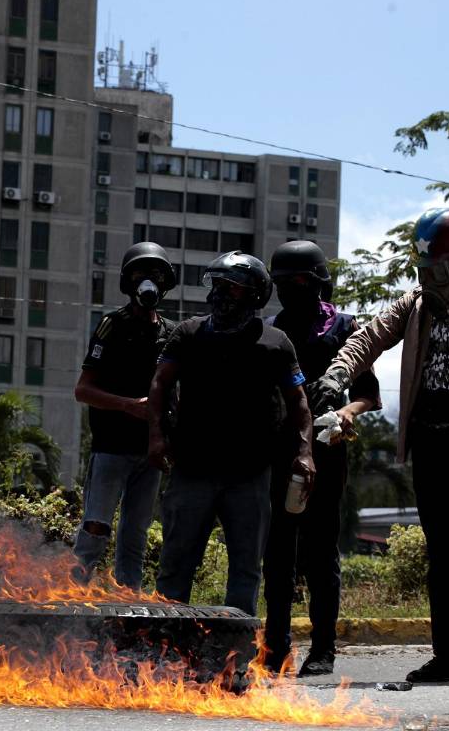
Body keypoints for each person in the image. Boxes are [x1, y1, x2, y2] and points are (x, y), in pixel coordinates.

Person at [311, 207, 449, 687]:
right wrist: (336, 376)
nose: (430, 276)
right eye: (424, 268)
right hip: (435, 441)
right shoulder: (416, 303)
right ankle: (447, 656)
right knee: (444, 551)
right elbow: (367, 337)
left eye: (439, 267)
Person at [148, 251, 314, 616]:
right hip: (192, 470)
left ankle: (234, 659)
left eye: (232, 288)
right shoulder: (187, 333)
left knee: (245, 570)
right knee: (175, 565)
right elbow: (160, 384)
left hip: (250, 476)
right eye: (217, 285)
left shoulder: (275, 343)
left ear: (255, 295)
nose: (220, 294)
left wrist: (305, 452)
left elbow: (299, 403)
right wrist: (156, 436)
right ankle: (165, 655)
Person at [261, 241, 381, 675]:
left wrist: (346, 412)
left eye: (301, 282)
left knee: (320, 553)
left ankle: (323, 649)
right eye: (285, 283)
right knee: (276, 554)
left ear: (318, 283)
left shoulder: (344, 328)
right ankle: (275, 647)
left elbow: (370, 396)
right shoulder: (270, 329)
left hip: (327, 453)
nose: (294, 289)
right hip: (278, 452)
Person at [71, 242, 177, 590]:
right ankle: (73, 597)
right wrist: (128, 404)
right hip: (111, 448)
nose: (148, 282)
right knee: (96, 528)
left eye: (156, 275)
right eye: (140, 274)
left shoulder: (171, 333)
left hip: (151, 452)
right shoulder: (111, 326)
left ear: (167, 282)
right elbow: (82, 390)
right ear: (128, 281)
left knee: (135, 534)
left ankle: (129, 605)